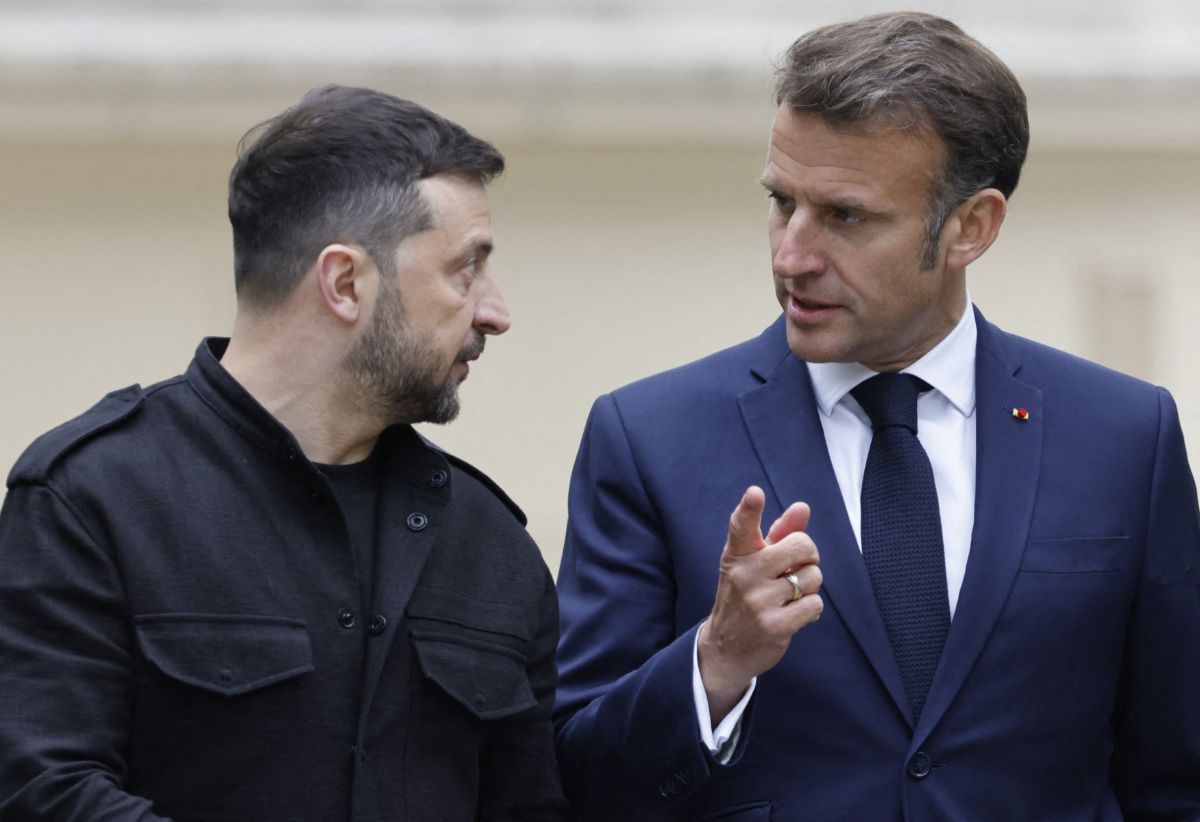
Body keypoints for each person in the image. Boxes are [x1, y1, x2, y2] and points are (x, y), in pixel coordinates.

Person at [553, 12, 1200, 821]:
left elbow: (1174, 775)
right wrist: (715, 665)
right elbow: (571, 776)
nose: (793, 255)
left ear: (971, 226)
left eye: (846, 216)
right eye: (781, 202)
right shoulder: (648, 438)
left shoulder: (1125, 437)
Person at [0, 85, 568, 821]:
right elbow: (41, 793)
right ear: (344, 282)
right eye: (466, 269)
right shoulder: (93, 499)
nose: (496, 311)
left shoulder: (491, 546)